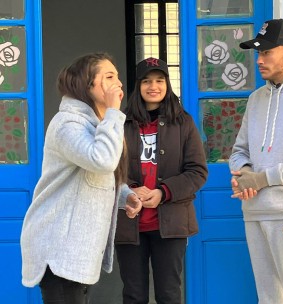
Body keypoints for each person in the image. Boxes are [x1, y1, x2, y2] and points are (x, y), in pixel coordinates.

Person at [20, 53, 142, 304]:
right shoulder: (67, 124)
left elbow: (94, 175)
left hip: (76, 250)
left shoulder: (95, 123)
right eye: (109, 77)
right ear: (87, 85)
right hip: (59, 247)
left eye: (118, 76)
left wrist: (124, 195)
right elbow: (102, 160)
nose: (118, 83)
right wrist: (114, 113)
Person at [229, 19, 283, 304]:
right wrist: (244, 172)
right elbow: (239, 151)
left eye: (267, 52)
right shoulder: (255, 99)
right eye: (258, 53)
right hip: (253, 211)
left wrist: (262, 178)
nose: (259, 60)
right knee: (269, 299)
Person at [114, 57, 208, 304]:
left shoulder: (183, 122)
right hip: (129, 221)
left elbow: (197, 171)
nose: (153, 86)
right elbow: (109, 169)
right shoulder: (121, 123)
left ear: (167, 84)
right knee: (133, 295)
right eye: (146, 81)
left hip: (171, 223)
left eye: (159, 80)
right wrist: (132, 190)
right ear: (138, 86)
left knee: (169, 294)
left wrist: (163, 192)